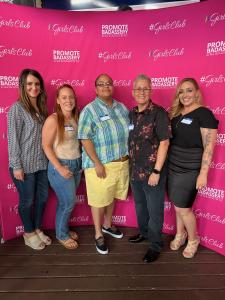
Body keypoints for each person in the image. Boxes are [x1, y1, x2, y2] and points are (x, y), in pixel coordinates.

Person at [78, 74, 129, 255]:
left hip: (121, 163)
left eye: (109, 83)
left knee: (112, 196)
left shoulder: (122, 108)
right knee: (99, 201)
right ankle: (98, 233)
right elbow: (84, 137)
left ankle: (108, 225)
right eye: (101, 84)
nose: (105, 86)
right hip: (100, 165)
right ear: (95, 88)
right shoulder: (89, 110)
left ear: (112, 86)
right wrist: (97, 162)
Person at [167, 78, 218, 258]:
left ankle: (193, 239)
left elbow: (209, 146)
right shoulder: (176, 113)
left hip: (190, 167)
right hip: (173, 165)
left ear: (197, 92)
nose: (185, 95)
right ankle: (180, 234)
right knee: (177, 204)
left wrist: (203, 173)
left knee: (183, 208)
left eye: (189, 90)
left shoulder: (204, 114)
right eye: (181, 91)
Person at [128, 74, 170, 263]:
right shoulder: (131, 113)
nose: (142, 92)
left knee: (155, 211)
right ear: (133, 92)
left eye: (145, 88)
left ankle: (155, 245)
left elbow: (164, 143)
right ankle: (144, 233)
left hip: (153, 173)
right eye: (138, 89)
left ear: (151, 91)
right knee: (140, 205)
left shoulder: (159, 113)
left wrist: (157, 171)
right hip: (135, 171)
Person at [7, 68, 51, 250]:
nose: (34, 87)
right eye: (30, 84)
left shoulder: (41, 108)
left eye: (37, 84)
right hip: (23, 166)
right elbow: (13, 139)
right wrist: (17, 166)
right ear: (23, 86)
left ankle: (38, 228)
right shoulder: (17, 109)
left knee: (42, 199)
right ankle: (28, 232)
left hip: (42, 164)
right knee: (27, 201)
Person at [42, 84, 81, 250]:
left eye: (71, 97)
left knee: (66, 202)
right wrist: (60, 168)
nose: (68, 100)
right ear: (57, 100)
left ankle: (62, 228)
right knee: (68, 203)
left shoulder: (76, 117)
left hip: (76, 164)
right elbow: (46, 146)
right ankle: (61, 235)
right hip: (61, 165)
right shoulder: (53, 119)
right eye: (64, 97)